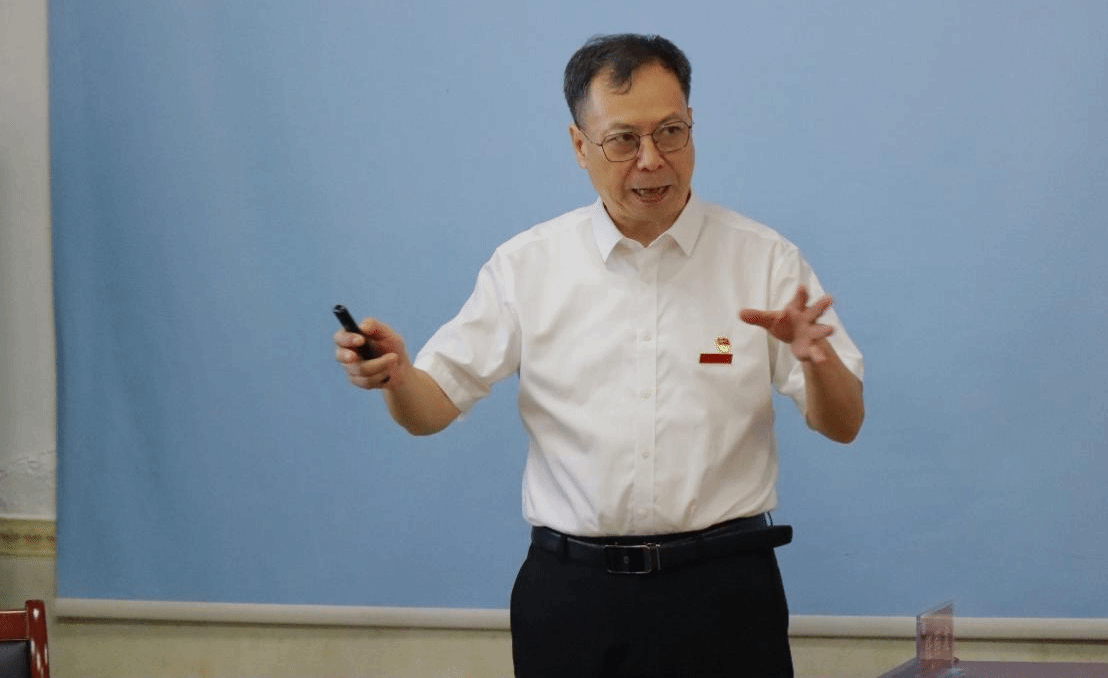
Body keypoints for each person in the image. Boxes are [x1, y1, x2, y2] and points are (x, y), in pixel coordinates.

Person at [334, 33, 864, 678]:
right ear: (579, 146)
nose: (652, 160)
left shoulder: (765, 260)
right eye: (623, 140)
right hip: (574, 599)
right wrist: (396, 377)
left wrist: (817, 361)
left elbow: (844, 424)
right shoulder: (527, 266)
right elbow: (431, 410)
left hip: (725, 594)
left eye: (671, 132)